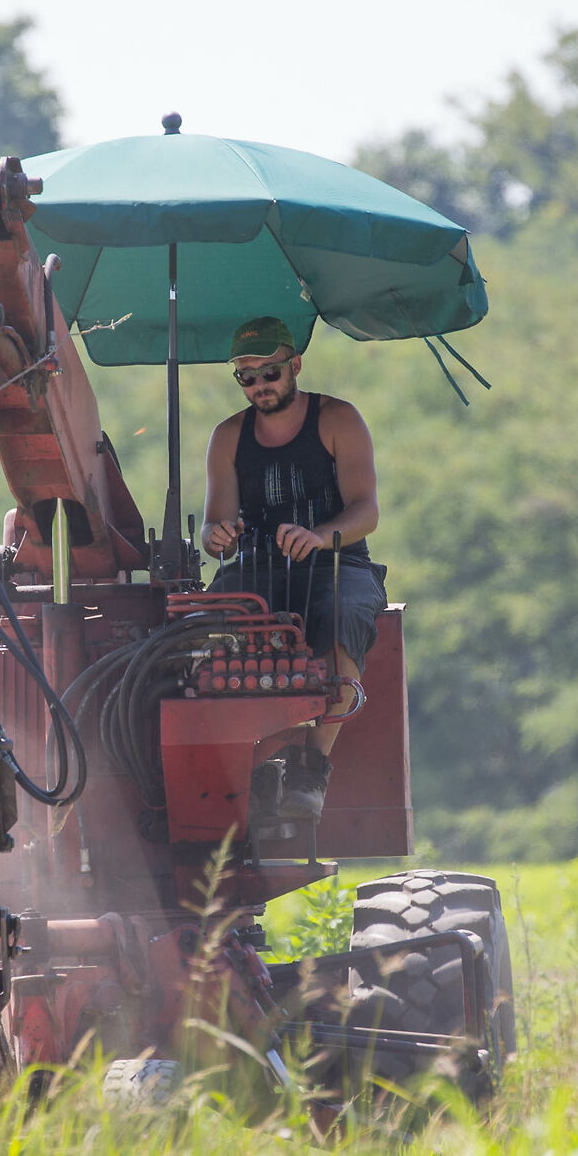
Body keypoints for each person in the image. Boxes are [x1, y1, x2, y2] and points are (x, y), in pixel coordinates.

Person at [200, 316, 387, 827]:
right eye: (247, 377)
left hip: (336, 560)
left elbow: (366, 511)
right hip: (258, 565)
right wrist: (216, 537)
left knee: (344, 615)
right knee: (201, 626)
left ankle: (310, 768)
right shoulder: (228, 438)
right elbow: (214, 524)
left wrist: (319, 536)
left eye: (269, 373)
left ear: (295, 366)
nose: (260, 385)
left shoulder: (338, 420)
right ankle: (250, 764)